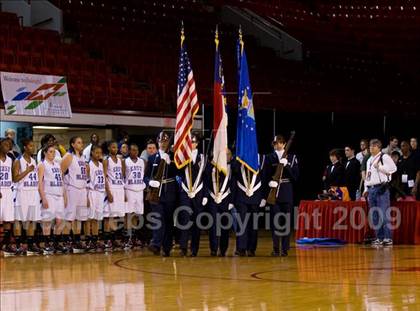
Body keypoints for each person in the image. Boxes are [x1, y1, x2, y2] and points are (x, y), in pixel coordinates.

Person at [263, 135, 299, 257]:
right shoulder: (269, 158)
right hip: (274, 193)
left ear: (284, 144)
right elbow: (265, 175)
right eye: (275, 143)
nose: (277, 145)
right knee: (275, 223)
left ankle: (284, 248)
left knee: (286, 222)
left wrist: (287, 165)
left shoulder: (292, 158)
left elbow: (295, 177)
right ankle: (275, 248)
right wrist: (268, 185)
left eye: (279, 143)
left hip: (286, 192)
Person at [144, 131, 178, 257]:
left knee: (168, 221)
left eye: (165, 141)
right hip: (156, 193)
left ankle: (167, 247)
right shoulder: (152, 158)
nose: (163, 144)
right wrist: (150, 182)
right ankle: (156, 244)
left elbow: (178, 173)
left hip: (169, 192)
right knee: (158, 219)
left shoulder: (173, 157)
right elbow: (146, 176)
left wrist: (171, 163)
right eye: (161, 141)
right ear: (157, 142)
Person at [177, 134, 207, 257]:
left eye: (194, 142)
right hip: (185, 192)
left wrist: (205, 195)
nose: (192, 144)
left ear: (197, 143)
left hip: (199, 193)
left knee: (196, 222)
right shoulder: (184, 157)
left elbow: (206, 178)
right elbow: (178, 173)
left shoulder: (203, 158)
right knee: (185, 220)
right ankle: (183, 247)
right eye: (190, 142)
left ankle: (194, 249)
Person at [364, 139, 397, 246]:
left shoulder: (384, 157)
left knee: (383, 213)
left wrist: (380, 167)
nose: (371, 148)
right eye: (370, 146)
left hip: (381, 188)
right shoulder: (369, 159)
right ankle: (379, 237)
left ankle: (388, 238)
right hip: (371, 188)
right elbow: (367, 176)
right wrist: (365, 189)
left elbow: (393, 169)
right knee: (374, 215)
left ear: (379, 147)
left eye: (373, 146)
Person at [232, 151, 266, 257]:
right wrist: (239, 158)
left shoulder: (261, 158)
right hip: (242, 194)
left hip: (256, 195)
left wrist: (264, 197)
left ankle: (251, 248)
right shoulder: (239, 157)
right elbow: (234, 171)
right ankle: (241, 248)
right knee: (242, 223)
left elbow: (264, 178)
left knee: (253, 224)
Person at [12, 138, 42, 255]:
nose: (33, 148)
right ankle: (18, 245)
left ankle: (30, 244)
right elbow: (15, 178)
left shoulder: (34, 160)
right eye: (30, 146)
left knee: (31, 220)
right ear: (25, 147)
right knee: (19, 220)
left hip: (33, 192)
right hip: (22, 192)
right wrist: (27, 171)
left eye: (33, 146)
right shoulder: (18, 161)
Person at [204, 149, 236, 257]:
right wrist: (205, 196)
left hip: (226, 199)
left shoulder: (232, 167)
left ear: (231, 156)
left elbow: (234, 185)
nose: (225, 156)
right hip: (213, 198)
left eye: (228, 154)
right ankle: (213, 249)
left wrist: (232, 201)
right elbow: (206, 181)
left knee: (225, 226)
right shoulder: (211, 166)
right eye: (223, 154)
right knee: (213, 225)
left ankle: (223, 249)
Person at [61, 137, 89, 253]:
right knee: (69, 218)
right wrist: (64, 193)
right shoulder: (68, 156)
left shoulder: (82, 157)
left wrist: (86, 194)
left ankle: (77, 241)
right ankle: (65, 242)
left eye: (82, 142)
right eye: (78, 142)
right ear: (72, 144)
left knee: (79, 218)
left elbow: (86, 177)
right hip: (71, 189)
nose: (81, 144)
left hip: (82, 190)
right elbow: (60, 173)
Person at [38, 144, 67, 254]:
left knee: (60, 221)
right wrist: (43, 198)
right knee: (47, 221)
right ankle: (46, 244)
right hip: (49, 195)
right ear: (45, 152)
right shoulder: (42, 165)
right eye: (50, 151)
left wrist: (65, 196)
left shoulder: (58, 165)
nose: (53, 153)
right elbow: (40, 183)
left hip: (59, 195)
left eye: (54, 152)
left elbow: (62, 181)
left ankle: (55, 243)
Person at [103, 140, 126, 251]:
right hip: (111, 189)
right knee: (109, 216)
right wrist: (108, 192)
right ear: (108, 148)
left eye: (116, 147)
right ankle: (108, 240)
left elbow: (122, 176)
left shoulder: (120, 160)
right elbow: (104, 177)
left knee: (117, 216)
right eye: (113, 147)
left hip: (119, 189)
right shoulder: (106, 161)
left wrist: (124, 192)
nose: (115, 149)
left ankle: (114, 238)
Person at [123, 143, 146, 249]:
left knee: (137, 214)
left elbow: (144, 175)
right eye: (132, 150)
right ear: (129, 151)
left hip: (139, 189)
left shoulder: (142, 161)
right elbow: (122, 176)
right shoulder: (125, 161)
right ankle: (128, 237)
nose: (135, 152)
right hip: (129, 189)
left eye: (136, 150)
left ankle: (135, 236)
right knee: (129, 214)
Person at [86, 145, 106, 251]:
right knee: (89, 218)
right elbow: (85, 182)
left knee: (97, 218)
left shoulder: (101, 165)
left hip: (100, 193)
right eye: (97, 152)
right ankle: (88, 240)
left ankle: (95, 239)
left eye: (100, 153)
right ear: (92, 153)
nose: (99, 155)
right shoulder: (88, 165)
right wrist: (87, 197)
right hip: (92, 192)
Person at [0, 138, 17, 256]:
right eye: (5, 144)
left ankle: (4, 246)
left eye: (9, 145)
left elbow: (12, 177)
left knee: (8, 219)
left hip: (7, 191)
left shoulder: (10, 160)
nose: (8, 146)